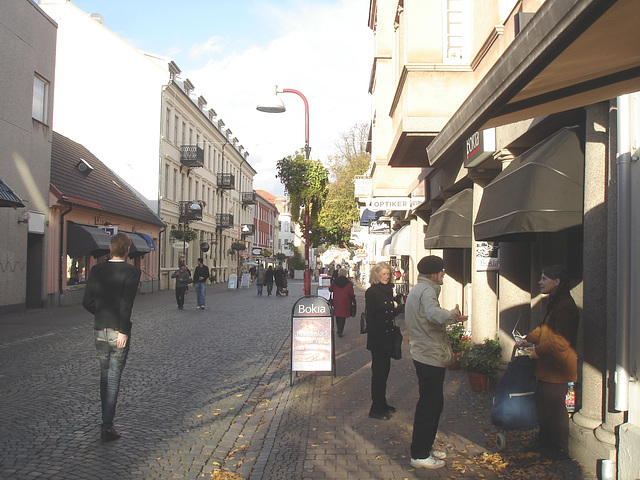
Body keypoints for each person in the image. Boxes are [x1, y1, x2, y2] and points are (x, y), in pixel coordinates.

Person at [404, 255, 467, 469]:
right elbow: (432, 314)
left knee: (432, 403)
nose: (443, 274)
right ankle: (420, 454)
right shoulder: (428, 291)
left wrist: (447, 315)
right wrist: (451, 315)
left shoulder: (417, 289)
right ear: (433, 274)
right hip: (429, 354)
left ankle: (424, 447)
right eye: (441, 270)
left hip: (424, 353)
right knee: (430, 405)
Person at [82, 232, 141, 442]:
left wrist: (101, 315)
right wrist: (123, 331)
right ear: (127, 249)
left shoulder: (96, 269)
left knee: (104, 376)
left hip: (99, 329)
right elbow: (126, 305)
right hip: (118, 331)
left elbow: (87, 302)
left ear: (110, 248)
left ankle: (106, 422)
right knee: (113, 379)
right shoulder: (132, 272)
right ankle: (106, 427)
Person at [516, 265, 579, 461]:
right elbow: (544, 328)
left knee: (555, 408)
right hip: (546, 367)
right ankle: (545, 441)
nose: (540, 282)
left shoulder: (566, 305)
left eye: (544, 279)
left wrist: (537, 350)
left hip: (557, 368)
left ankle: (560, 447)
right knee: (543, 405)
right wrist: (528, 339)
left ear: (556, 282)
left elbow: (561, 340)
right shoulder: (554, 302)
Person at [365, 261, 402, 420]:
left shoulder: (388, 290)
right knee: (378, 374)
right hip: (378, 338)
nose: (386, 277)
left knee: (385, 372)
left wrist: (399, 307)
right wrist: (375, 338)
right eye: (383, 274)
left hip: (388, 337)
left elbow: (389, 313)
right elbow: (371, 317)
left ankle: (382, 402)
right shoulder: (372, 292)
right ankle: (376, 408)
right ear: (376, 275)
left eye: (388, 274)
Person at [329, 267, 355, 337]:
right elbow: (351, 293)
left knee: (337, 315)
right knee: (343, 316)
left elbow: (330, 289)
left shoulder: (335, 281)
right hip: (345, 301)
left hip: (336, 301)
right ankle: (340, 330)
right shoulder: (349, 283)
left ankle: (338, 329)